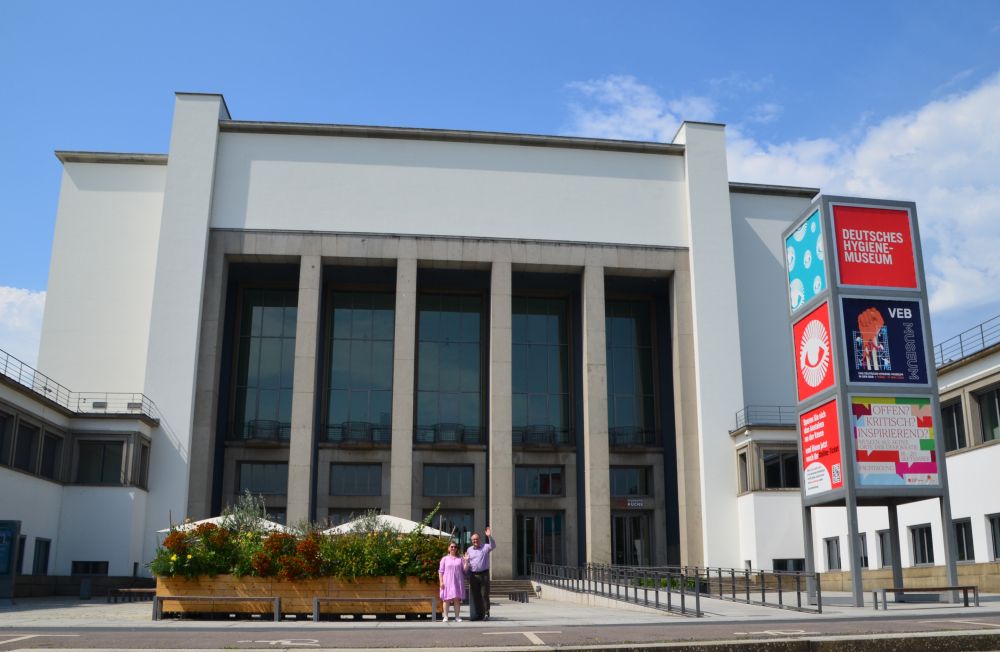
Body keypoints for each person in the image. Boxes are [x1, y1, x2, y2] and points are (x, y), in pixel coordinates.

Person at [463, 525, 495, 621]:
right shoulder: (469, 550)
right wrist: (466, 562)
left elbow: (493, 545)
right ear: (471, 541)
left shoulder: (485, 547)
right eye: (473, 540)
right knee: (475, 594)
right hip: (473, 575)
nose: (475, 541)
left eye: (476, 539)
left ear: (479, 539)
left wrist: (489, 536)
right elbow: (468, 562)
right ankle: (478, 614)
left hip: (484, 574)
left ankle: (486, 613)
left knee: (484, 594)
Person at [438, 541, 468, 622]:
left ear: (456, 549)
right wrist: (441, 582)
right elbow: (441, 572)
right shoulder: (444, 559)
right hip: (447, 582)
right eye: (451, 547)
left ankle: (457, 617)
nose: (453, 548)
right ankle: (446, 617)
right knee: (446, 599)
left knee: (457, 599)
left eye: (455, 547)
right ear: (448, 548)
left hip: (457, 582)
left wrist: (466, 561)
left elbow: (464, 571)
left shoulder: (460, 559)